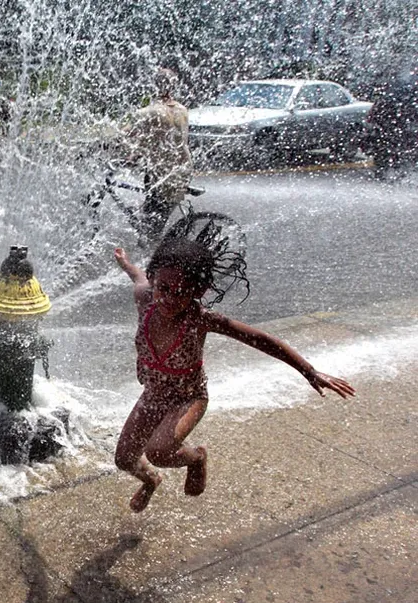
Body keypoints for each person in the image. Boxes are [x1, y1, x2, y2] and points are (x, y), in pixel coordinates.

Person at [112, 227, 355, 513]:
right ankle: (151, 481)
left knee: (159, 451)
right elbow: (138, 276)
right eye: (163, 288)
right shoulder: (146, 299)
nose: (169, 299)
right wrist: (126, 263)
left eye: (181, 292)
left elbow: (261, 339)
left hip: (188, 397)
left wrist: (310, 371)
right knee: (124, 459)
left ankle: (197, 458)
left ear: (198, 291)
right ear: (154, 280)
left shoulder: (200, 320)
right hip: (154, 395)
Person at [124, 67, 193, 241]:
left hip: (162, 175)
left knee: (150, 229)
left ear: (153, 86)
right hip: (182, 170)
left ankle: (154, 253)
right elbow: (161, 138)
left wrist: (98, 146)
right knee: (152, 217)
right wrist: (135, 155)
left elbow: (125, 136)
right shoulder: (182, 109)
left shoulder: (148, 112)